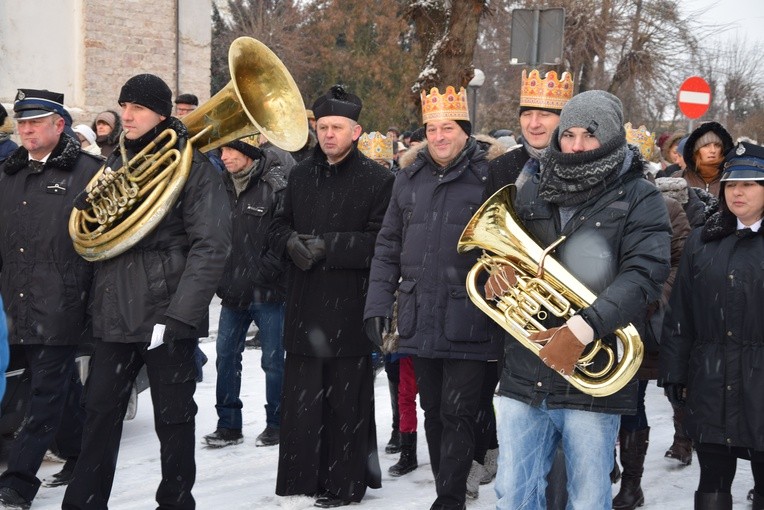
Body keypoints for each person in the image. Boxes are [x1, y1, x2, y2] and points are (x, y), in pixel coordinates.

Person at [487, 90, 671, 510]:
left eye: (588, 135)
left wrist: (585, 326)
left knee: (588, 498)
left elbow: (644, 275)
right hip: (525, 369)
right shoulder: (532, 186)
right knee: (512, 493)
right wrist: (504, 273)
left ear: (609, 137)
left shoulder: (640, 196)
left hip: (592, 373)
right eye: (567, 134)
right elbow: (511, 256)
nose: (575, 146)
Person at [62, 73, 231, 510]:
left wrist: (180, 316)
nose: (127, 115)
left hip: (164, 316)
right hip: (113, 313)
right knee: (98, 417)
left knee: (175, 422)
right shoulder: (115, 163)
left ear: (161, 113)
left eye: (137, 108)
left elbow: (211, 246)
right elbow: (96, 237)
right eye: (124, 106)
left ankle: (175, 503)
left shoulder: (192, 166)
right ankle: (83, 503)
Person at [364, 85, 502, 510]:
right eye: (431, 128)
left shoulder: (488, 177)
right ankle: (451, 483)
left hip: (469, 314)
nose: (439, 136)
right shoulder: (407, 179)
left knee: (458, 411)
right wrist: (376, 305)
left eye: (447, 127)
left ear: (465, 131)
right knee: (433, 410)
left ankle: (449, 497)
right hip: (418, 312)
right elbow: (388, 244)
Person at [268, 84, 392, 508]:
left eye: (337, 127)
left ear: (356, 131)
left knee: (345, 403)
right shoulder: (300, 174)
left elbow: (383, 242)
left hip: (349, 306)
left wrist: (331, 246)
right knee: (304, 405)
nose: (328, 135)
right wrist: (289, 243)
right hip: (304, 305)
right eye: (322, 127)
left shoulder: (378, 179)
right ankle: (307, 478)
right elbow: (275, 226)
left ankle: (344, 483)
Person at [0, 89, 102, 509]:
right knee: (60, 390)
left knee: (42, 393)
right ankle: (79, 452)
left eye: (34, 122)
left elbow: (101, 241)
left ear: (59, 125)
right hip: (14, 304)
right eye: (21, 122)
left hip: (61, 303)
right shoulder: (7, 174)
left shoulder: (89, 172)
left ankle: (18, 482)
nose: (25, 129)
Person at [484, 68, 574, 508]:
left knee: (567, 437)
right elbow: (476, 240)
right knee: (522, 443)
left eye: (547, 115)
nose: (535, 123)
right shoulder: (500, 167)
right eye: (528, 114)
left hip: (573, 313)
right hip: (518, 323)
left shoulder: (581, 165)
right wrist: (490, 274)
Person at [661, 140, 764, 510]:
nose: (738, 191)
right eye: (732, 183)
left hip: (760, 385)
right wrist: (674, 372)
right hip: (711, 381)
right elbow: (680, 314)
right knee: (712, 480)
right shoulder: (704, 240)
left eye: (750, 184)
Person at [611, 123, 692, 510]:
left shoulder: (668, 207)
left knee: (631, 401)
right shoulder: (602, 203)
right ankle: (608, 462)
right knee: (603, 398)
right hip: (601, 319)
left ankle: (632, 482)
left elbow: (683, 263)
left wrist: (651, 296)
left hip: (645, 321)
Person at [204, 135, 294, 448]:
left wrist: (265, 272)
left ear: (247, 152)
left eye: (229, 149)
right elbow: (210, 235)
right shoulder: (217, 186)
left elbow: (284, 234)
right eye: (222, 150)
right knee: (225, 357)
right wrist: (220, 276)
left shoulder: (275, 185)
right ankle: (228, 425)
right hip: (232, 290)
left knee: (273, 360)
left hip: (268, 291)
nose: (224, 156)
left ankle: (277, 423)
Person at [672, 121, 733, 196]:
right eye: (706, 145)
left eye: (717, 145)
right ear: (696, 151)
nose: (713, 150)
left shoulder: (731, 177)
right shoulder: (679, 179)